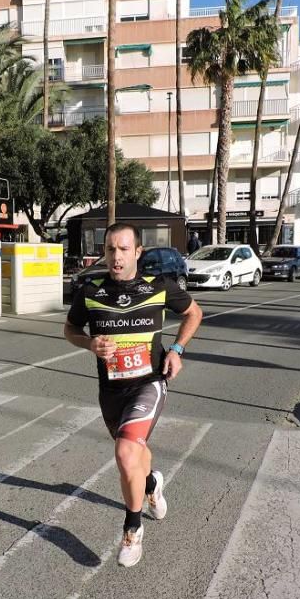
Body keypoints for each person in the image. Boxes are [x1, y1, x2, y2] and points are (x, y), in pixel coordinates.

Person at [64, 223, 203, 567]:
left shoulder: (158, 287)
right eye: (110, 249)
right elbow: (70, 329)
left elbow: (193, 313)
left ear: (138, 252)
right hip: (110, 390)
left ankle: (132, 528)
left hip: (149, 383)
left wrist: (177, 350)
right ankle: (152, 483)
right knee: (135, 455)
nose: (116, 256)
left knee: (126, 452)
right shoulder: (90, 290)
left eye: (124, 249)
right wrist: (89, 343)